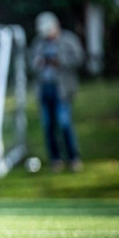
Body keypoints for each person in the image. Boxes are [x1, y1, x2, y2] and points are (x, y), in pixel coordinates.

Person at [29, 11, 85, 172]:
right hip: (44, 90)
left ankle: (74, 158)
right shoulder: (38, 43)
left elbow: (79, 59)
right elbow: (30, 63)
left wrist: (59, 62)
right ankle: (55, 159)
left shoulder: (68, 39)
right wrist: (39, 63)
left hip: (62, 90)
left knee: (64, 123)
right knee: (48, 126)